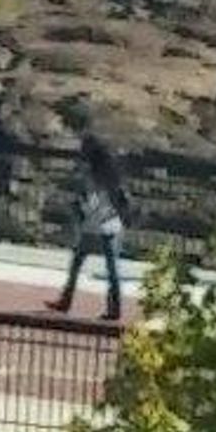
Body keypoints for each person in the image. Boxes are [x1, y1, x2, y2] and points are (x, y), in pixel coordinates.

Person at [55, 130, 133, 323]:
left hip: (101, 224)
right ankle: (112, 308)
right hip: (103, 224)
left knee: (88, 265)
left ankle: (69, 301)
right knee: (105, 267)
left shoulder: (97, 176)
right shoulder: (106, 175)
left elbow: (96, 198)